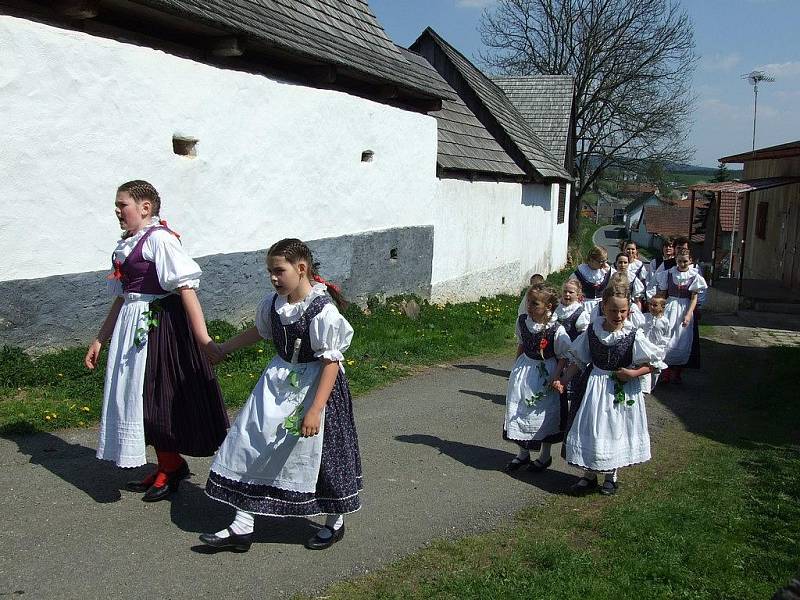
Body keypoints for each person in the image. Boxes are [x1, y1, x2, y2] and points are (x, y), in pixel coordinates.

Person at [201, 238, 362, 552]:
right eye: (270, 271)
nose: (273, 277)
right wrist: (223, 349)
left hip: (317, 386)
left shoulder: (321, 308)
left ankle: (334, 520)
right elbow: (260, 331)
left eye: (279, 271)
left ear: (301, 269)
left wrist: (316, 409)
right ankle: (242, 524)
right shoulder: (274, 304)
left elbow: (331, 361)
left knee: (322, 455)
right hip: (278, 382)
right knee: (250, 440)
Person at [85, 180, 229, 501]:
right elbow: (123, 298)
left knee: (153, 398)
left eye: (123, 205)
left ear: (145, 207)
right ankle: (169, 462)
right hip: (130, 328)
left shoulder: (160, 240)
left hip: (158, 327)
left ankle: (171, 465)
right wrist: (100, 339)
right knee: (132, 398)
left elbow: (186, 288)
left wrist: (204, 340)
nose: (117, 211)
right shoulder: (126, 245)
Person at [556, 285, 665, 496]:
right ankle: (588, 474)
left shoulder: (633, 334)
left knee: (614, 428)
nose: (618, 315)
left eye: (623, 311)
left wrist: (633, 374)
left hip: (619, 388)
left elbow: (655, 363)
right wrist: (564, 379)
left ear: (629, 311)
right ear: (603, 308)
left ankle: (611, 475)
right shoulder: (593, 330)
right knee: (592, 427)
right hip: (594, 385)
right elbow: (579, 359)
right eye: (613, 310)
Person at [503, 286, 571, 474]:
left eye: (535, 304)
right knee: (521, 410)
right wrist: (515, 367)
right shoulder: (523, 321)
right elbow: (522, 345)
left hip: (545, 372)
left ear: (548, 306)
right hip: (525, 370)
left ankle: (544, 456)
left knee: (544, 414)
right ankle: (523, 453)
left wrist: (556, 376)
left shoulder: (556, 329)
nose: (530, 307)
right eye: (528, 303)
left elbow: (564, 355)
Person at [657, 250, 708, 384]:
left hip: (685, 309)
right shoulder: (669, 273)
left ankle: (678, 372)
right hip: (670, 307)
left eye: (685, 261)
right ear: (676, 261)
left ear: (690, 260)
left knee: (682, 340)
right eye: (680, 261)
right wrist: (658, 308)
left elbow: (694, 298)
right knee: (667, 339)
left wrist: (688, 314)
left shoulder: (694, 276)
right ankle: (666, 373)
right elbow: (662, 294)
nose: (682, 264)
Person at [573, 246, 613, 315]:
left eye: (605, 260)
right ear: (591, 260)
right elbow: (571, 287)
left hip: (602, 305)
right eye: (601, 261)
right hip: (585, 304)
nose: (604, 264)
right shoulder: (581, 272)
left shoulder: (607, 271)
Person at [641, 297, 670, 391]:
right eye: (650, 304)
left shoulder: (665, 321)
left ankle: (651, 387)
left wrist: (661, 348)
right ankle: (643, 389)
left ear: (662, 307)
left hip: (657, 349)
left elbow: (666, 336)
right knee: (643, 368)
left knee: (655, 369)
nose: (651, 307)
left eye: (655, 305)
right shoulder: (644, 317)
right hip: (644, 347)